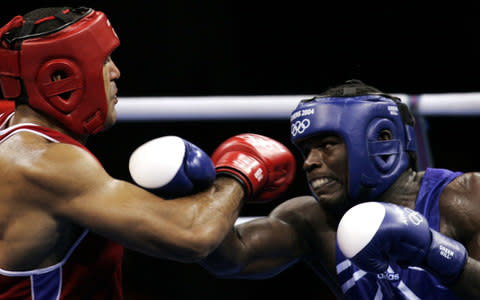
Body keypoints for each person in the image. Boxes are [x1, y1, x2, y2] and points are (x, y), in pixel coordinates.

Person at [0, 7, 296, 299]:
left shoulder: (8, 127)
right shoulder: (44, 164)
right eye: (104, 61)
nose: (116, 72)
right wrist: (240, 172)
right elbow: (192, 235)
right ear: (60, 77)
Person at [201, 79, 480, 299]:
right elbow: (229, 257)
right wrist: (231, 180)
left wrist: (438, 253)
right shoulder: (310, 220)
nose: (309, 163)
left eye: (326, 146)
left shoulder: (466, 197)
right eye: (306, 150)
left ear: (381, 139)